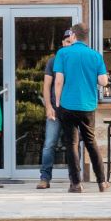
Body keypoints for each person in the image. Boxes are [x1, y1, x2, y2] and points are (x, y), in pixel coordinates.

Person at [52, 23, 109, 193]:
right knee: (91, 142)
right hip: (87, 105)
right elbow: (103, 81)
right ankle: (102, 182)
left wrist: (57, 101)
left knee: (71, 144)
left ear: (73, 36)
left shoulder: (63, 53)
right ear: (87, 37)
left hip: (67, 105)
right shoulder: (95, 55)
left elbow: (59, 80)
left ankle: (76, 184)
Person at [36, 29, 72, 190]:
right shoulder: (53, 61)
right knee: (49, 144)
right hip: (55, 110)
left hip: (72, 109)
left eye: (71, 42)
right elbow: (46, 86)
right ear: (62, 43)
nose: (68, 44)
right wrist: (48, 107)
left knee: (73, 144)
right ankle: (45, 178)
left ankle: (74, 178)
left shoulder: (76, 61)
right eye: (66, 42)